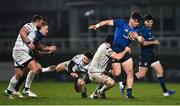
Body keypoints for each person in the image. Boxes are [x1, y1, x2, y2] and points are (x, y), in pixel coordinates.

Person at [89, 12, 144, 99]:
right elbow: (107, 22)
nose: (136, 23)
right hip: (115, 52)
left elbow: (142, 41)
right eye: (135, 21)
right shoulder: (121, 23)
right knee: (117, 73)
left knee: (130, 72)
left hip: (125, 52)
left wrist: (138, 38)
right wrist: (97, 25)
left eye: (138, 22)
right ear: (131, 19)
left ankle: (129, 95)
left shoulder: (137, 30)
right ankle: (104, 82)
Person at [119, 14, 176, 97]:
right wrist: (153, 42)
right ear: (145, 22)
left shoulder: (150, 30)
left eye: (151, 21)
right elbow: (142, 43)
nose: (150, 23)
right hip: (145, 55)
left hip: (151, 55)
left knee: (160, 71)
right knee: (141, 74)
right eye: (148, 21)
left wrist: (154, 45)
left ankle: (165, 92)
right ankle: (123, 83)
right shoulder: (142, 30)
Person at [3, 19, 56, 99]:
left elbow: (37, 50)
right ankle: (26, 90)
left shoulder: (37, 36)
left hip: (19, 52)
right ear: (41, 27)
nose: (47, 31)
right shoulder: (31, 28)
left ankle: (8, 91)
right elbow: (22, 32)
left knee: (20, 75)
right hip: (20, 51)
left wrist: (48, 51)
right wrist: (48, 48)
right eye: (46, 29)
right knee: (35, 67)